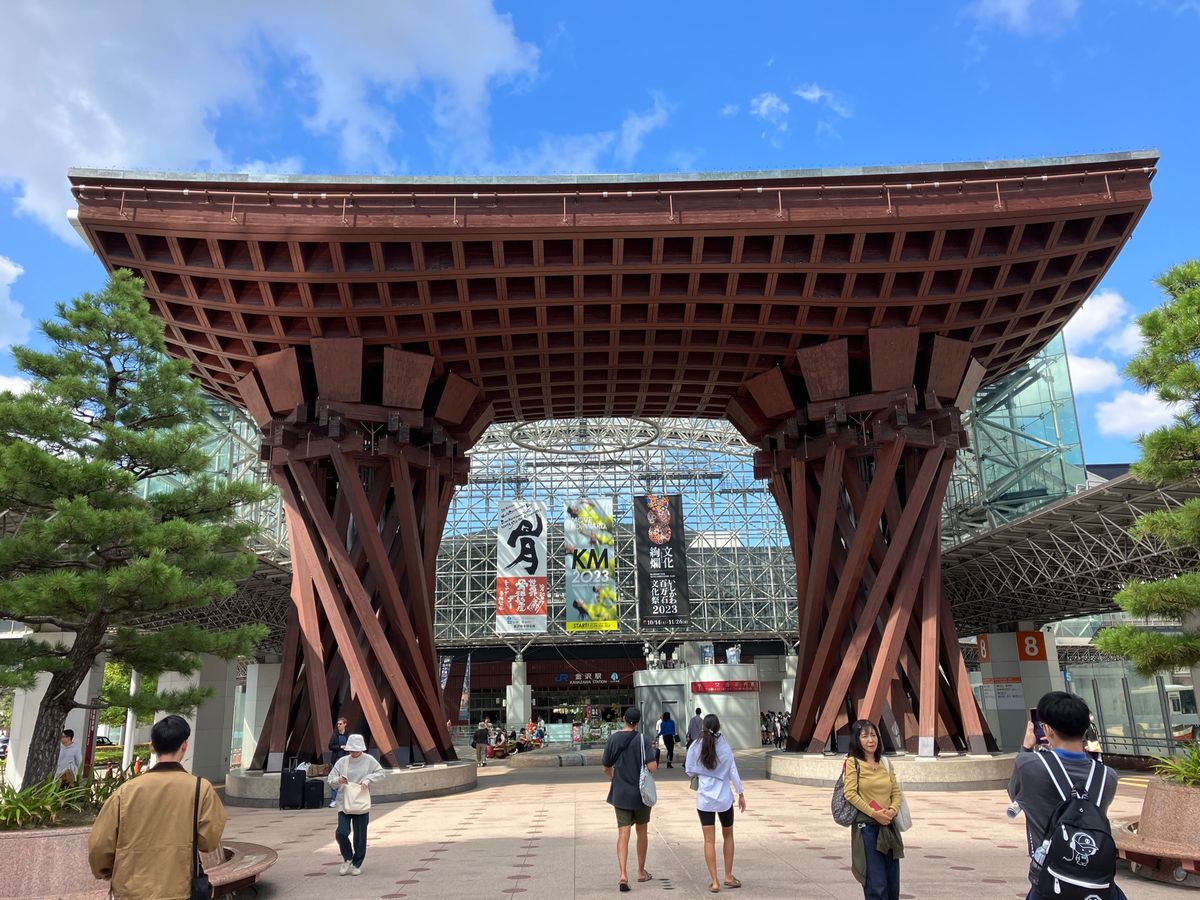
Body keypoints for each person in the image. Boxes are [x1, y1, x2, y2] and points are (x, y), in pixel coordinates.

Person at [88, 715, 226, 900]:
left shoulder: (126, 791)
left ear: (152, 746)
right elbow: (208, 842)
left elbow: (100, 844)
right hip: (179, 889)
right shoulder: (201, 789)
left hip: (130, 891)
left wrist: (104, 871)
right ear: (184, 745)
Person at [1008, 692, 1125, 900]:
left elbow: (1015, 793)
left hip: (1050, 882)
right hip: (1096, 885)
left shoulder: (1029, 765)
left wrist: (1026, 747)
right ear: (1085, 728)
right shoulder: (1107, 776)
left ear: (1048, 729)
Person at [842, 719, 903, 900]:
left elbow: (896, 791)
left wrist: (892, 810)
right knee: (877, 886)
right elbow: (850, 793)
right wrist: (874, 814)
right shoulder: (853, 762)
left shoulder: (885, 762)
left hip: (888, 827)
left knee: (892, 885)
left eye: (873, 735)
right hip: (867, 829)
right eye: (865, 736)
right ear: (856, 739)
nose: (871, 740)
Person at [685, 713, 746, 892]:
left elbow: (689, 770)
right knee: (728, 835)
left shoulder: (696, 745)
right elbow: (732, 771)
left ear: (703, 727)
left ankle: (714, 881)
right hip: (724, 798)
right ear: (718, 727)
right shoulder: (725, 746)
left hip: (704, 798)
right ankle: (728, 876)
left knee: (709, 841)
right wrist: (740, 793)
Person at [601, 706, 659, 891]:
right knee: (642, 832)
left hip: (621, 794)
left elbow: (605, 766)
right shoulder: (643, 740)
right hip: (641, 795)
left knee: (623, 834)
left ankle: (623, 875)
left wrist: (614, 778)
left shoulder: (613, 739)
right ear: (638, 722)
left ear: (624, 719)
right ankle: (641, 872)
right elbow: (652, 767)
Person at [326, 733, 384, 876]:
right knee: (341, 832)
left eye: (356, 750)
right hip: (344, 801)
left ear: (361, 749)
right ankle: (348, 857)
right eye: (351, 750)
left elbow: (381, 773)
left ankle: (357, 863)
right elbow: (330, 779)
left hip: (361, 801)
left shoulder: (369, 760)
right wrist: (339, 780)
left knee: (360, 835)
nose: (354, 752)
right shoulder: (342, 761)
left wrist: (368, 779)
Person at [328, 716, 350, 807]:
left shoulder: (348, 735)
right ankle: (334, 800)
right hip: (336, 760)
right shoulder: (335, 735)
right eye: (337, 724)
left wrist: (347, 747)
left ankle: (346, 799)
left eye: (340, 724)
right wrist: (340, 747)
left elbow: (352, 745)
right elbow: (330, 746)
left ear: (345, 724)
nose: (338, 726)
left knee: (346, 779)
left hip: (346, 760)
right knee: (334, 779)